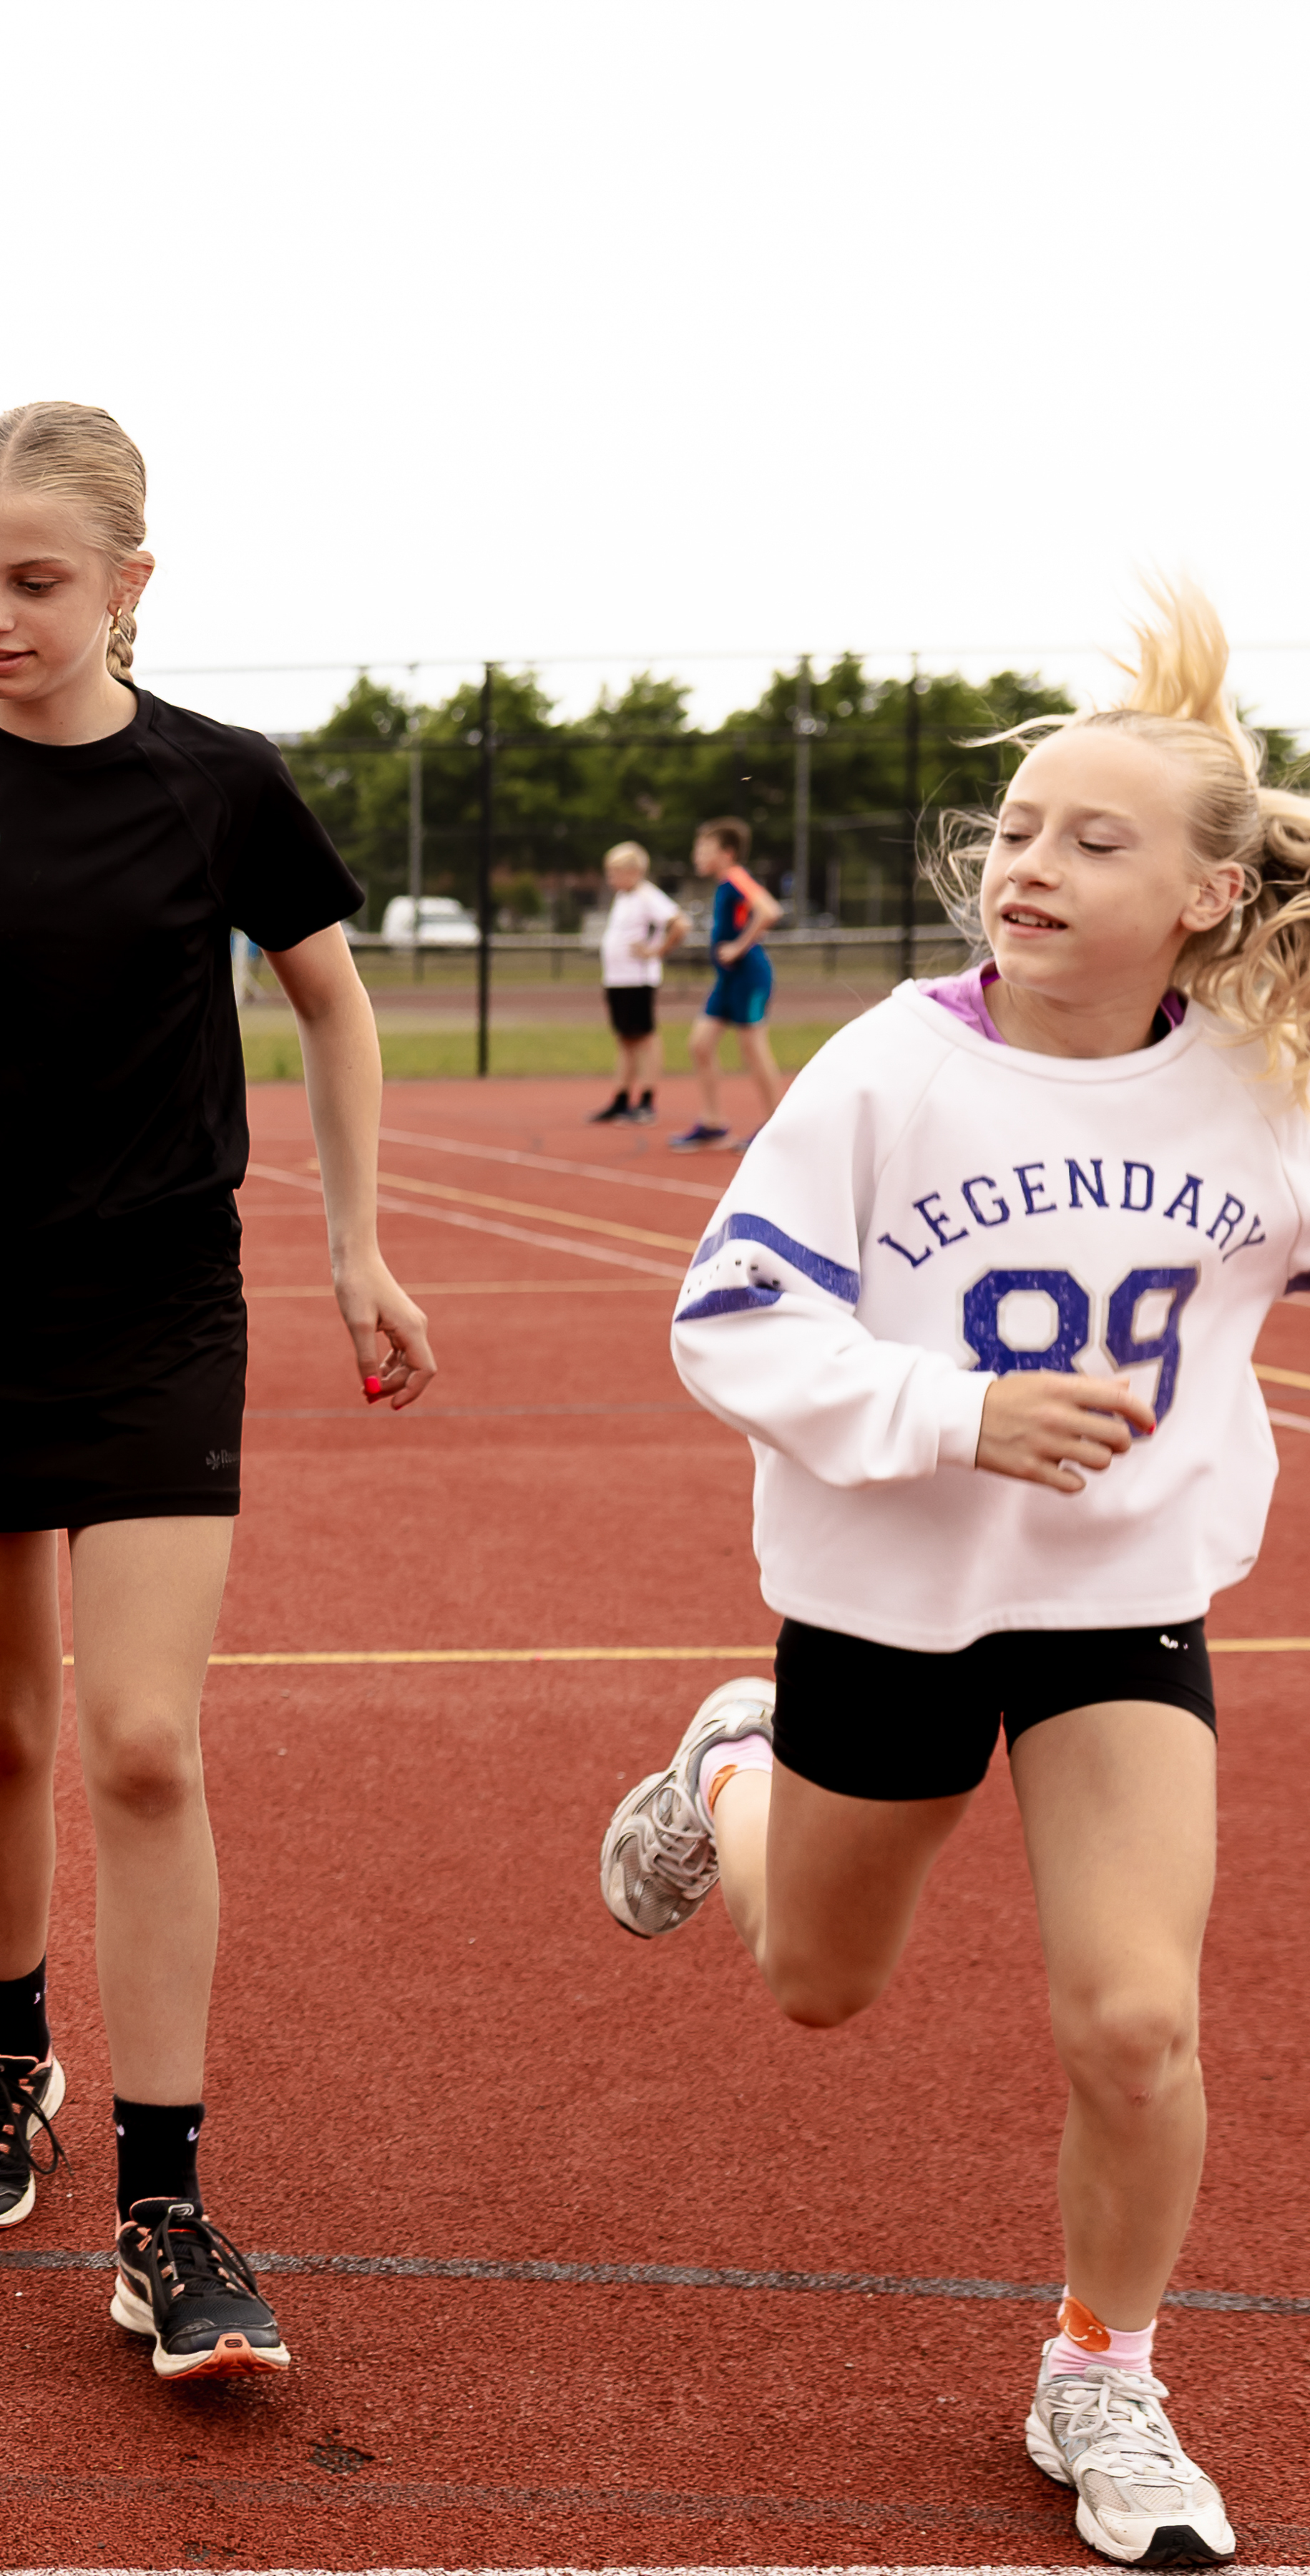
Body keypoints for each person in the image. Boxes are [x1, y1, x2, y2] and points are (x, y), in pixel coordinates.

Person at [597, 586, 1304, 2567]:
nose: (1029, 867)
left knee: (1138, 2022)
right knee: (818, 1986)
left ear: (1210, 899)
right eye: (1015, 834)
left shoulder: (1264, 1096)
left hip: (1119, 1609)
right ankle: (730, 1768)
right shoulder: (887, 1076)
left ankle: (1110, 2371)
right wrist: (953, 1409)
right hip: (890, 1605)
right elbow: (724, 1324)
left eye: (1093, 840)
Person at [0, 402, 436, 2384]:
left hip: (161, 1314)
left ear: (132, 585)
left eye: (35, 581)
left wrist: (353, 1245)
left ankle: (166, 2206)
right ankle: (2, 2060)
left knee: (141, 1741)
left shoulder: (220, 787)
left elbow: (333, 999)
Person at [673, 817, 788, 1148]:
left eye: (704, 848)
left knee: (752, 1047)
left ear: (727, 852)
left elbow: (769, 910)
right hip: (727, 979)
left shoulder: (737, 877)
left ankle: (775, 1126)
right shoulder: (725, 884)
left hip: (749, 975)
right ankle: (712, 1124)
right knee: (700, 1044)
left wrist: (739, 946)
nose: (697, 854)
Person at [588, 839, 685, 1123]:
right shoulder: (623, 897)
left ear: (633, 871)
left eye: (614, 872)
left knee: (645, 1038)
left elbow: (679, 924)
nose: (610, 879)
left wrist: (656, 951)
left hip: (637, 980)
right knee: (625, 1039)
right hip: (617, 980)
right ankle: (621, 1098)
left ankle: (647, 1099)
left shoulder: (647, 896)